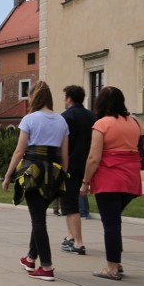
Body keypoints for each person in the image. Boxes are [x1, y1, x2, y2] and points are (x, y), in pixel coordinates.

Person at [81, 86, 144, 281]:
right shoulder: (134, 123)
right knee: (114, 222)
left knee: (111, 224)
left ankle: (112, 267)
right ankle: (117, 262)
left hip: (109, 179)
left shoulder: (101, 125)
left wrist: (85, 182)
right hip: (130, 180)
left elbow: (93, 158)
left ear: (101, 103)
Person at [2, 81, 69, 282]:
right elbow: (65, 156)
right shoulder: (61, 121)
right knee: (38, 215)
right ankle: (31, 258)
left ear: (35, 97)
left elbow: (19, 151)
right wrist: (61, 177)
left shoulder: (30, 119)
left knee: (38, 220)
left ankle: (46, 267)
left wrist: (8, 175)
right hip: (54, 173)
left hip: (33, 172)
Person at [60, 85, 96, 255]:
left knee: (70, 204)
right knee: (70, 204)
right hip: (88, 164)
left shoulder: (66, 117)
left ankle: (78, 243)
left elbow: (62, 143)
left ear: (69, 98)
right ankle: (70, 236)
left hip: (70, 166)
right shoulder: (92, 116)